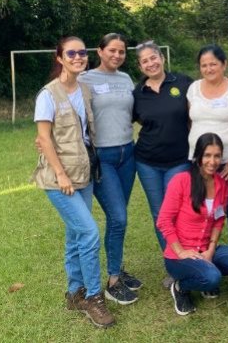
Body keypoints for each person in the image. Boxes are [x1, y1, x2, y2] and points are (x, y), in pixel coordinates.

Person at [31, 36, 114, 328]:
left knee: (75, 236)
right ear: (59, 57)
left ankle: (73, 292)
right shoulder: (48, 95)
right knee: (90, 233)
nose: (78, 57)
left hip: (85, 174)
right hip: (59, 180)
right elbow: (43, 137)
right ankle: (93, 297)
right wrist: (61, 174)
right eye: (71, 53)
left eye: (82, 52)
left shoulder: (85, 89)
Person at [79, 33, 141, 304]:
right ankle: (113, 281)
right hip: (102, 157)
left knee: (120, 218)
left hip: (128, 154)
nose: (117, 56)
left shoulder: (126, 79)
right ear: (100, 51)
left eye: (122, 52)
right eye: (112, 51)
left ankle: (117, 266)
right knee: (118, 218)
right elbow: (66, 108)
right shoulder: (85, 79)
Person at [156, 133, 228, 315]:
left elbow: (219, 218)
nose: (212, 161)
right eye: (207, 155)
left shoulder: (222, 184)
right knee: (213, 278)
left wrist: (211, 249)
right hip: (179, 255)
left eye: (217, 156)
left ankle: (204, 271)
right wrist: (181, 251)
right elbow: (163, 220)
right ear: (198, 156)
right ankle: (181, 287)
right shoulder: (181, 181)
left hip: (205, 249)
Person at [132, 40, 193, 289]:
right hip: (147, 162)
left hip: (179, 160)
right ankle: (173, 264)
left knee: (180, 212)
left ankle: (190, 261)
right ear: (140, 65)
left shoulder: (183, 82)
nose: (151, 63)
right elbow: (118, 119)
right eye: (145, 60)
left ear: (162, 57)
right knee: (160, 215)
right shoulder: (137, 93)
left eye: (154, 57)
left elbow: (208, 95)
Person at [187, 44, 228, 245]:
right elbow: (193, 121)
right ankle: (199, 253)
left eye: (213, 64)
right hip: (200, 163)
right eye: (204, 65)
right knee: (200, 208)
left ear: (224, 64)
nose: (208, 69)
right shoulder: (193, 89)